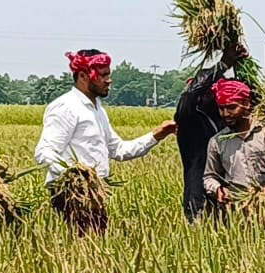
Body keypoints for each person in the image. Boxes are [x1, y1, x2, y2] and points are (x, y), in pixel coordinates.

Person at [34, 50, 177, 234]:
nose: (109, 80)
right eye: (103, 75)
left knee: (96, 248)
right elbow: (44, 152)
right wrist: (76, 176)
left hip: (95, 192)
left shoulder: (97, 109)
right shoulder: (66, 107)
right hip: (72, 195)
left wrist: (157, 135)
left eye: (108, 74)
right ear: (83, 76)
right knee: (80, 250)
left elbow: (118, 150)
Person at [202, 79, 265, 218]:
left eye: (231, 107)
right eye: (221, 108)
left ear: (247, 104)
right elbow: (209, 176)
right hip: (234, 214)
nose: (225, 114)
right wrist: (217, 189)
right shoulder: (217, 141)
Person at [174, 44, 249, 221]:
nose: (214, 94)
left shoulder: (225, 120)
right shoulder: (189, 117)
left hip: (228, 197)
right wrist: (224, 63)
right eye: (211, 89)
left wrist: (242, 66)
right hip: (199, 198)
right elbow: (191, 94)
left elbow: (248, 100)